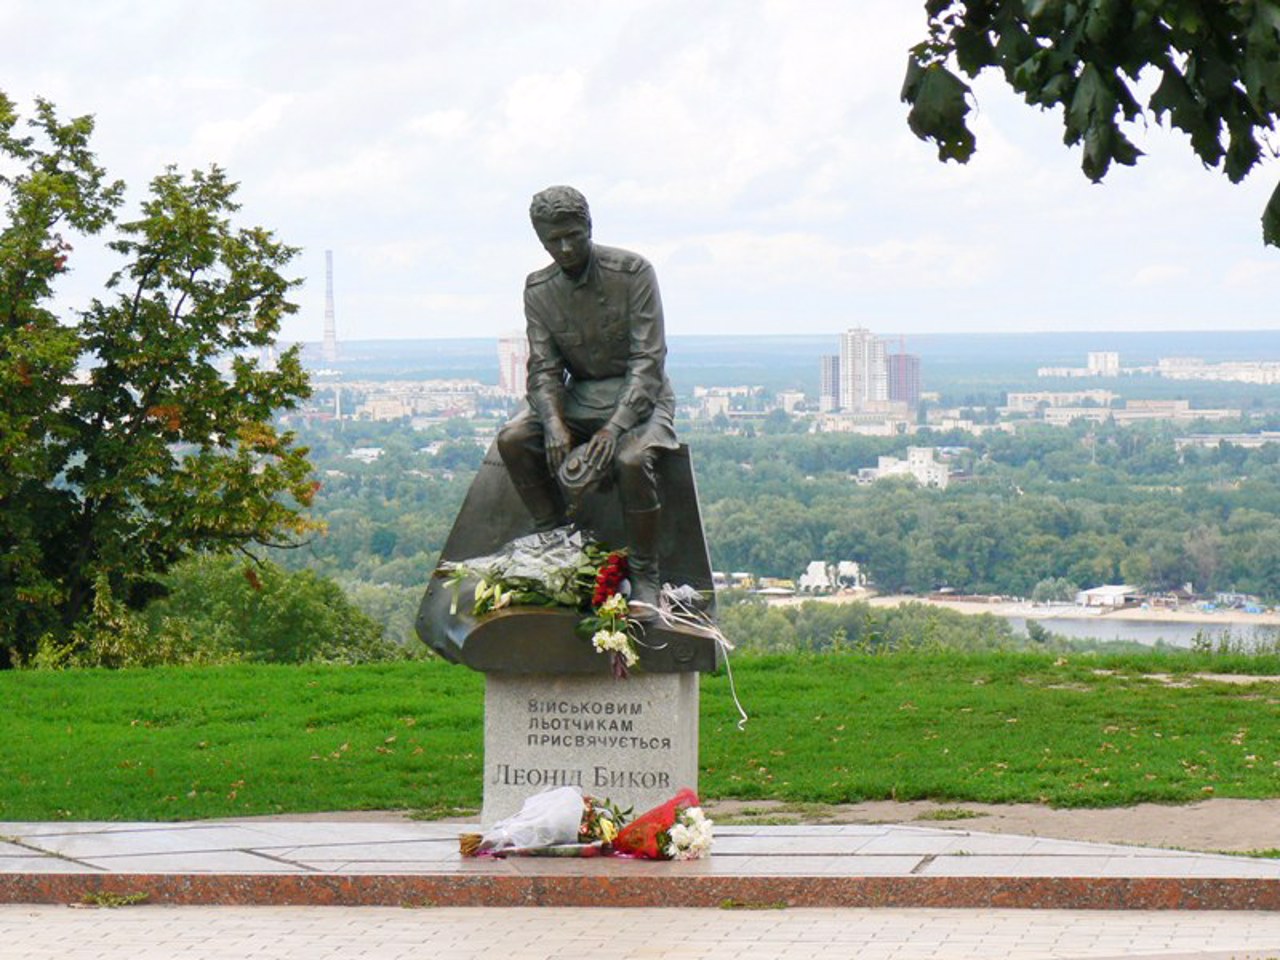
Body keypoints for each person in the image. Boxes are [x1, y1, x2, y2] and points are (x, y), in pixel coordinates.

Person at [496, 185, 678, 613]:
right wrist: (555, 422)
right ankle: (555, 539)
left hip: (640, 400)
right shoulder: (538, 289)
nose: (564, 248)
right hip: (579, 400)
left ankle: (645, 572)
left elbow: (648, 360)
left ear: (589, 227)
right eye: (552, 240)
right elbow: (543, 368)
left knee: (631, 461)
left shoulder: (632, 273)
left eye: (573, 236)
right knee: (514, 438)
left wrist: (613, 430)